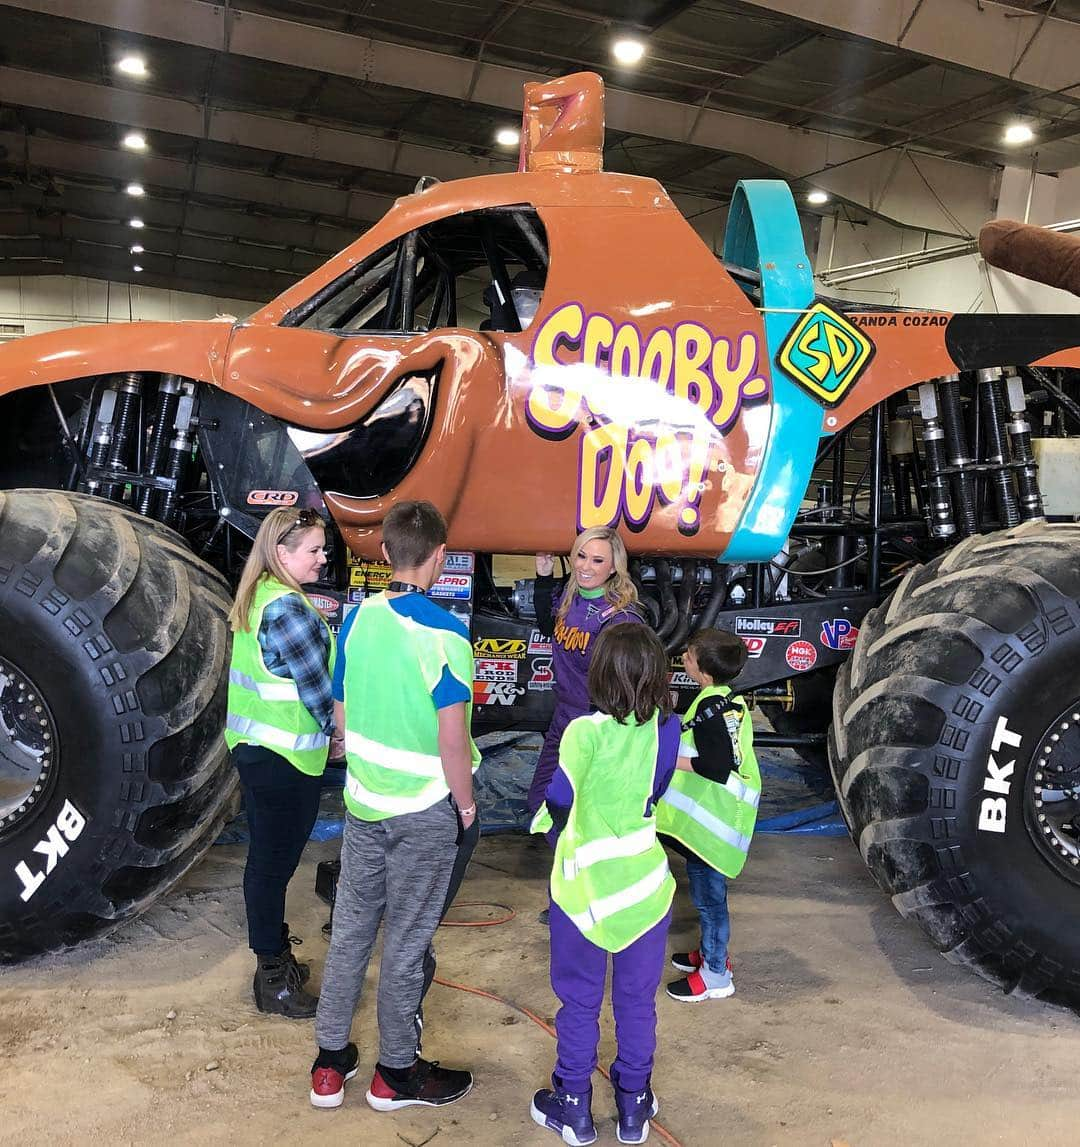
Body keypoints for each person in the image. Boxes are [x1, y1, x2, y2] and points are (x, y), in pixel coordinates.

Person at [309, 500, 480, 1113]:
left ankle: (329, 1066)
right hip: (424, 810)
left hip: (364, 803)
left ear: (383, 553)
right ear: (440, 557)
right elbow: (452, 737)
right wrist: (465, 806)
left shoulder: (357, 619)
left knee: (351, 932)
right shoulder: (447, 633)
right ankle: (395, 1074)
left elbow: (343, 715)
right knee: (407, 943)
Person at [530, 623, 680, 1147]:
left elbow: (559, 798)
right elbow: (657, 788)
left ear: (598, 675)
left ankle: (573, 1106)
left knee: (580, 1001)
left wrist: (557, 823)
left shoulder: (583, 732)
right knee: (638, 1001)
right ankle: (634, 1104)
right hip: (644, 887)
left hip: (583, 894)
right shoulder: (667, 728)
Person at [224, 506, 342, 1019]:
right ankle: (271, 976)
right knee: (271, 869)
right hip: (284, 761)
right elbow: (318, 691)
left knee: (268, 866)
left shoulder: (263, 597)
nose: (322, 559)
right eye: (313, 550)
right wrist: (339, 736)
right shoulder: (288, 610)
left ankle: (275, 960)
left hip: (260, 754)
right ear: (281, 553)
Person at [656, 628, 760, 1003]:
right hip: (717, 823)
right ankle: (711, 953)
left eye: (689, 655)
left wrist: (667, 760)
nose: (684, 658)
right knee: (709, 899)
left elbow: (717, 766)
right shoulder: (727, 699)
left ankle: (716, 973)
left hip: (712, 830)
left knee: (709, 902)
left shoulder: (708, 706)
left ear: (703, 670)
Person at [527, 526, 642, 815]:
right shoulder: (573, 597)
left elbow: (628, 690)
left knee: (577, 808)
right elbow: (548, 627)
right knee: (540, 803)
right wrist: (543, 577)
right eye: (581, 556)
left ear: (615, 566)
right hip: (563, 717)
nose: (585, 566)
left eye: (597, 560)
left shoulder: (621, 618)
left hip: (596, 724)